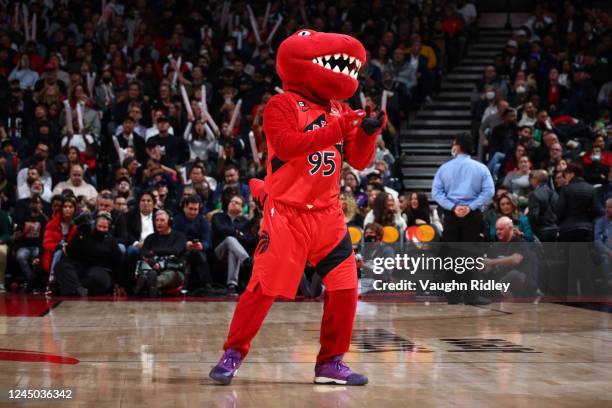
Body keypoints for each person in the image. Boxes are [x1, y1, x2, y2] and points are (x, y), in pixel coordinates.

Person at [209, 31, 386, 386]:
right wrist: (337, 127)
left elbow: (360, 161)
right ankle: (234, 352)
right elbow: (287, 146)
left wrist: (367, 132)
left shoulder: (339, 108)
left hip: (328, 215)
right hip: (286, 214)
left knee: (345, 288)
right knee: (263, 289)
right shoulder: (282, 104)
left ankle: (330, 363)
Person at [432, 133, 494, 242]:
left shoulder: (444, 168)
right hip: (473, 214)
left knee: (452, 255)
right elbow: (489, 192)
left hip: (451, 215)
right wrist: (470, 207)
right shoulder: (481, 168)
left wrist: (453, 207)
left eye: (453, 144)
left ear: (457, 146)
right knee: (472, 255)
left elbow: (436, 193)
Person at [54, 212, 122, 296]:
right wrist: (79, 236)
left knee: (100, 279)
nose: (101, 229)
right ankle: (77, 289)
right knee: (61, 266)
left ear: (109, 228)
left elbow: (117, 261)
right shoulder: (84, 234)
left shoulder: (111, 241)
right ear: (94, 225)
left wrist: (117, 283)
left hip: (99, 269)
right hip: (79, 266)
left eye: (104, 227)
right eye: (99, 226)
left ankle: (71, 288)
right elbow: (69, 251)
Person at [172, 195, 220, 295]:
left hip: (199, 250)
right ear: (184, 207)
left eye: (195, 209)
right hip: (181, 250)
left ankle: (206, 285)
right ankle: (182, 284)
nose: (193, 212)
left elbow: (208, 241)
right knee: (188, 254)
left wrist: (201, 245)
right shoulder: (176, 220)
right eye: (190, 209)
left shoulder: (204, 221)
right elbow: (173, 239)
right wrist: (184, 244)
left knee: (199, 254)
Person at [211, 195, 257, 296]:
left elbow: (247, 240)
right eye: (232, 201)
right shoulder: (218, 216)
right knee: (230, 239)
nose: (233, 203)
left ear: (242, 208)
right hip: (219, 252)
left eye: (237, 203)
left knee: (233, 250)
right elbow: (220, 230)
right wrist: (237, 232)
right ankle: (247, 261)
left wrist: (236, 234)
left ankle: (231, 286)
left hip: (236, 253)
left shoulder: (244, 222)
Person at [137, 210, 187, 296]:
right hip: (153, 268)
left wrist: (154, 251)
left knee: (168, 275)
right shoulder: (150, 238)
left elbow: (175, 250)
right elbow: (143, 252)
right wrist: (152, 261)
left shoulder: (180, 236)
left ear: (170, 222)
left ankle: (148, 283)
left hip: (174, 270)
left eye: (162, 220)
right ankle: (151, 286)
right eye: (157, 220)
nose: (159, 223)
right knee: (145, 270)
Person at [13, 195, 48, 291]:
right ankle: (31, 280)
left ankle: (35, 282)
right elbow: (17, 236)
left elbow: (49, 226)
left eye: (37, 202)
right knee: (20, 256)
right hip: (25, 246)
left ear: (41, 205)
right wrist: (25, 232)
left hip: (38, 246)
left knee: (38, 257)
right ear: (30, 205)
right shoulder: (24, 217)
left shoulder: (43, 218)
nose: (35, 204)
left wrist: (41, 213)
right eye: (33, 202)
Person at [527, 170, 559, 242]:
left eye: (532, 178)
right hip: (555, 229)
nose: (531, 181)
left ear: (536, 180)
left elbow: (533, 216)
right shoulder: (554, 193)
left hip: (542, 231)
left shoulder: (534, 194)